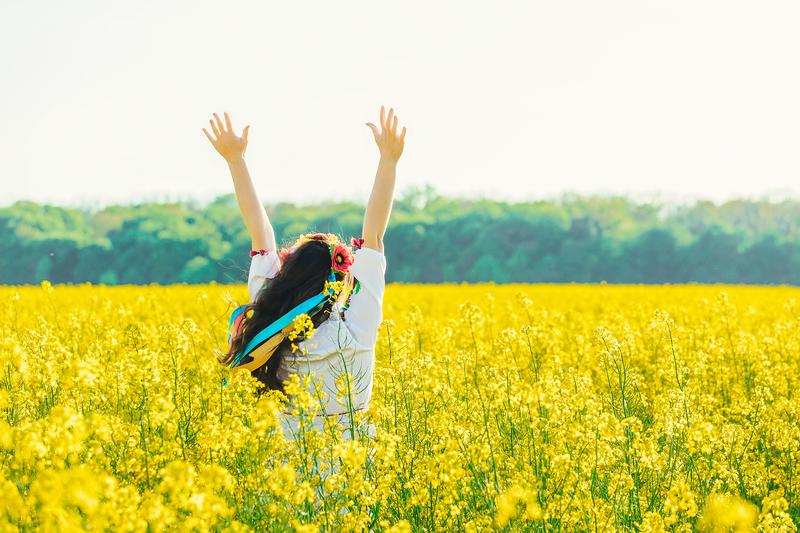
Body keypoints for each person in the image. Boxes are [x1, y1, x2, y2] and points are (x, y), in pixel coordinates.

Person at [203, 106, 406, 440]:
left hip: (286, 465)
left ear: (288, 272)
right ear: (339, 280)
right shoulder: (358, 328)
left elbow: (260, 232)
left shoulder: (270, 318)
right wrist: (389, 160)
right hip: (351, 467)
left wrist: (235, 160)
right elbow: (374, 238)